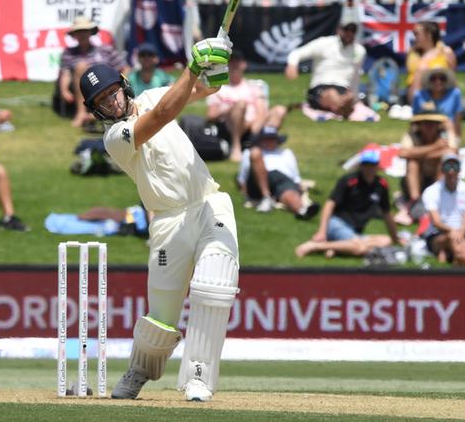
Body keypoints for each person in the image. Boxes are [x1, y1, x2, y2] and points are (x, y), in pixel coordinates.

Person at [78, 35, 237, 402]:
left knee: (214, 285)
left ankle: (198, 376)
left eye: (111, 93)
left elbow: (207, 87)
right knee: (160, 319)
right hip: (168, 221)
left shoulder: (151, 96)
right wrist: (194, 64)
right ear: (97, 111)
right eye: (101, 102)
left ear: (123, 85)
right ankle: (140, 369)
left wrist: (217, 60)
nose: (110, 102)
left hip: (209, 203)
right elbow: (164, 114)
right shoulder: (115, 138)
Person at [295, 149, 401, 258]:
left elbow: (386, 214)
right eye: (365, 164)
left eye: (372, 165)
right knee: (360, 248)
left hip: (356, 232)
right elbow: (329, 204)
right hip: (337, 223)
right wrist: (322, 231)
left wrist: (395, 238)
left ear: (377, 166)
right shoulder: (349, 181)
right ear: (361, 166)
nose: (369, 168)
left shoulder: (381, 185)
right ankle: (316, 246)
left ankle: (336, 248)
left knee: (386, 241)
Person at [207, 50, 286, 162]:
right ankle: (236, 146)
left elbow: (261, 111)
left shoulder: (254, 86)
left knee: (280, 110)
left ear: (243, 65)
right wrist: (231, 108)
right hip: (229, 126)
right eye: (231, 62)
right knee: (240, 105)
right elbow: (210, 115)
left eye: (237, 62)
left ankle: (265, 144)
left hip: (255, 126)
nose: (234, 65)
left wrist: (253, 126)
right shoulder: (219, 89)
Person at [54, 16, 129, 126]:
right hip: (81, 86)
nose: (82, 34)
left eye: (84, 31)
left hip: (105, 84)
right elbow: (65, 74)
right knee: (80, 67)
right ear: (74, 35)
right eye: (79, 31)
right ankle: (81, 112)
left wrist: (123, 82)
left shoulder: (106, 50)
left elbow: (124, 68)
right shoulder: (68, 53)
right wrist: (64, 90)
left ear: (90, 32)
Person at [285, 22, 366, 118]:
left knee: (348, 96)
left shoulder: (359, 51)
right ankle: (343, 108)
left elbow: (356, 76)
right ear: (339, 30)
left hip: (342, 87)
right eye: (346, 30)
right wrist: (292, 65)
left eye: (352, 31)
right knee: (332, 94)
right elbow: (297, 53)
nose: (349, 33)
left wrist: (354, 96)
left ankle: (343, 107)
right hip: (320, 87)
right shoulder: (324, 43)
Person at [236, 126, 320, 219]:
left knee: (289, 191)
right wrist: (245, 191)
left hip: (281, 181)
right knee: (256, 153)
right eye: (266, 139)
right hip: (256, 182)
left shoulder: (286, 153)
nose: (269, 141)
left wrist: (296, 188)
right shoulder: (249, 152)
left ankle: (302, 211)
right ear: (260, 140)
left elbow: (295, 178)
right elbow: (242, 178)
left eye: (272, 139)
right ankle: (266, 197)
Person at [421, 153, 465, 267]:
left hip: (462, 233)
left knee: (460, 243)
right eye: (447, 167)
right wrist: (452, 231)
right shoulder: (431, 191)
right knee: (455, 240)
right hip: (437, 234)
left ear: (460, 169)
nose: (451, 171)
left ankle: (461, 260)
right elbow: (436, 222)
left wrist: (459, 232)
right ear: (442, 170)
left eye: (455, 167)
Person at [397, 113, 457, 223]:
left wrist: (419, 154)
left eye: (432, 124)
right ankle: (414, 200)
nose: (429, 127)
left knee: (444, 161)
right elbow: (402, 153)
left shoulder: (445, 135)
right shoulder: (412, 135)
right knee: (412, 163)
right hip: (417, 180)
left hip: (437, 178)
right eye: (426, 123)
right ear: (419, 125)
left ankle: (438, 198)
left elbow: (451, 152)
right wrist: (434, 147)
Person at [406, 21, 457, 103]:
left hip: (439, 91)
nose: (414, 37)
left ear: (429, 35)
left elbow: (452, 77)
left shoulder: (445, 52)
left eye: (417, 34)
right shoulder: (412, 52)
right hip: (415, 92)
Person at [412, 68, 463, 139]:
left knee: (449, 124)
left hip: (447, 132)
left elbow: (457, 119)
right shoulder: (419, 95)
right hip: (425, 133)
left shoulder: (455, 94)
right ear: (429, 80)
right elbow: (415, 120)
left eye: (442, 78)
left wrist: (457, 138)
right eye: (433, 78)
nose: (438, 81)